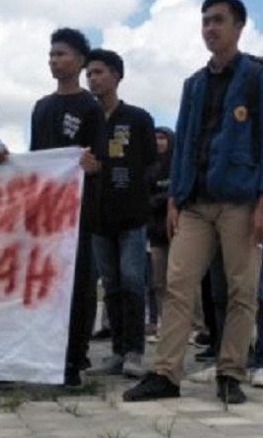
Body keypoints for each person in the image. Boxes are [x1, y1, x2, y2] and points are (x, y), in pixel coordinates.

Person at [123, 0, 263, 405]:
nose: (210, 28)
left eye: (219, 20)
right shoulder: (193, 84)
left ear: (239, 27)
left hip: (241, 201)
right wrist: (175, 196)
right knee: (176, 285)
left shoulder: (258, 77)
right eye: (205, 21)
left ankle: (230, 373)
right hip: (194, 201)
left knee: (242, 289)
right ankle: (165, 374)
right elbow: (186, 139)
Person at [29, 27, 103, 387]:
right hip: (44, 213)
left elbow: (100, 159)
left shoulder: (90, 107)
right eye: (51, 54)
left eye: (61, 54)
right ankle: (43, 354)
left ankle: (74, 359)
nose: (54, 60)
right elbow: (35, 160)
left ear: (79, 60)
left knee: (78, 285)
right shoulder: (41, 107)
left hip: (79, 213)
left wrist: (93, 166)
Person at [84, 49, 158, 379]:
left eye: (98, 72)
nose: (92, 78)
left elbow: (151, 163)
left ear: (116, 75)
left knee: (132, 282)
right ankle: (116, 350)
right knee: (111, 285)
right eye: (89, 73)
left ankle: (134, 352)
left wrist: (129, 182)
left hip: (131, 215)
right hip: (98, 217)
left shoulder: (138, 118)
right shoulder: (87, 119)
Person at [146, 127, 174, 339]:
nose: (159, 142)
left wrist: (160, 199)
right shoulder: (150, 167)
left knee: (182, 281)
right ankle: (164, 322)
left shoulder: (177, 165)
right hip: (155, 233)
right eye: (155, 139)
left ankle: (197, 326)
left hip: (178, 230)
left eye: (163, 138)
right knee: (158, 282)